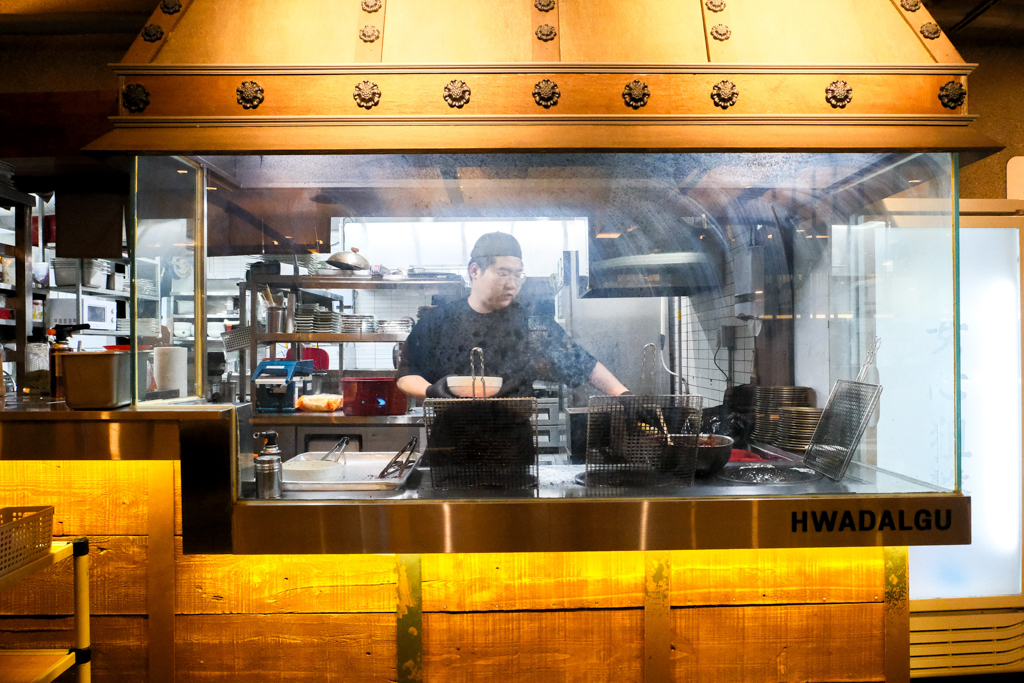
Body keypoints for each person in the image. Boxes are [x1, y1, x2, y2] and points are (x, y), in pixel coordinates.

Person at [396, 232, 629, 399]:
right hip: (449, 443)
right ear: (475, 270)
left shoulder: (531, 325)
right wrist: (430, 390)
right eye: (503, 273)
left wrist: (625, 396)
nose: (512, 284)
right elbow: (406, 374)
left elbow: (584, 366)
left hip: (512, 446)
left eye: (518, 275)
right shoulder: (438, 321)